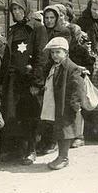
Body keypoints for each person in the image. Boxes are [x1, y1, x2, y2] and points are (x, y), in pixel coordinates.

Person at [0, 0, 48, 165]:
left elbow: (42, 56)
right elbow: (8, 56)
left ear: (26, 9)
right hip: (13, 79)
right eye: (14, 9)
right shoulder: (13, 29)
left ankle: (31, 150)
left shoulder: (37, 28)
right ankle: (17, 150)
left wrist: (36, 82)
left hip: (29, 80)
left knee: (30, 115)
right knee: (13, 114)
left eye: (19, 8)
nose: (17, 12)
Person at [41, 37, 84, 170]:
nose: (54, 55)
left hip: (66, 105)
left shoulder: (71, 68)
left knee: (65, 131)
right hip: (56, 103)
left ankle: (64, 157)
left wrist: (75, 104)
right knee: (59, 130)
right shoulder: (55, 66)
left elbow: (77, 87)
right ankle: (60, 155)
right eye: (52, 52)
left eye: (58, 52)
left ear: (66, 52)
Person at [76, 0, 98, 142]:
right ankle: (83, 132)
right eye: (94, 9)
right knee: (85, 94)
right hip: (87, 62)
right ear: (89, 8)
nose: (96, 12)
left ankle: (96, 130)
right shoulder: (82, 22)